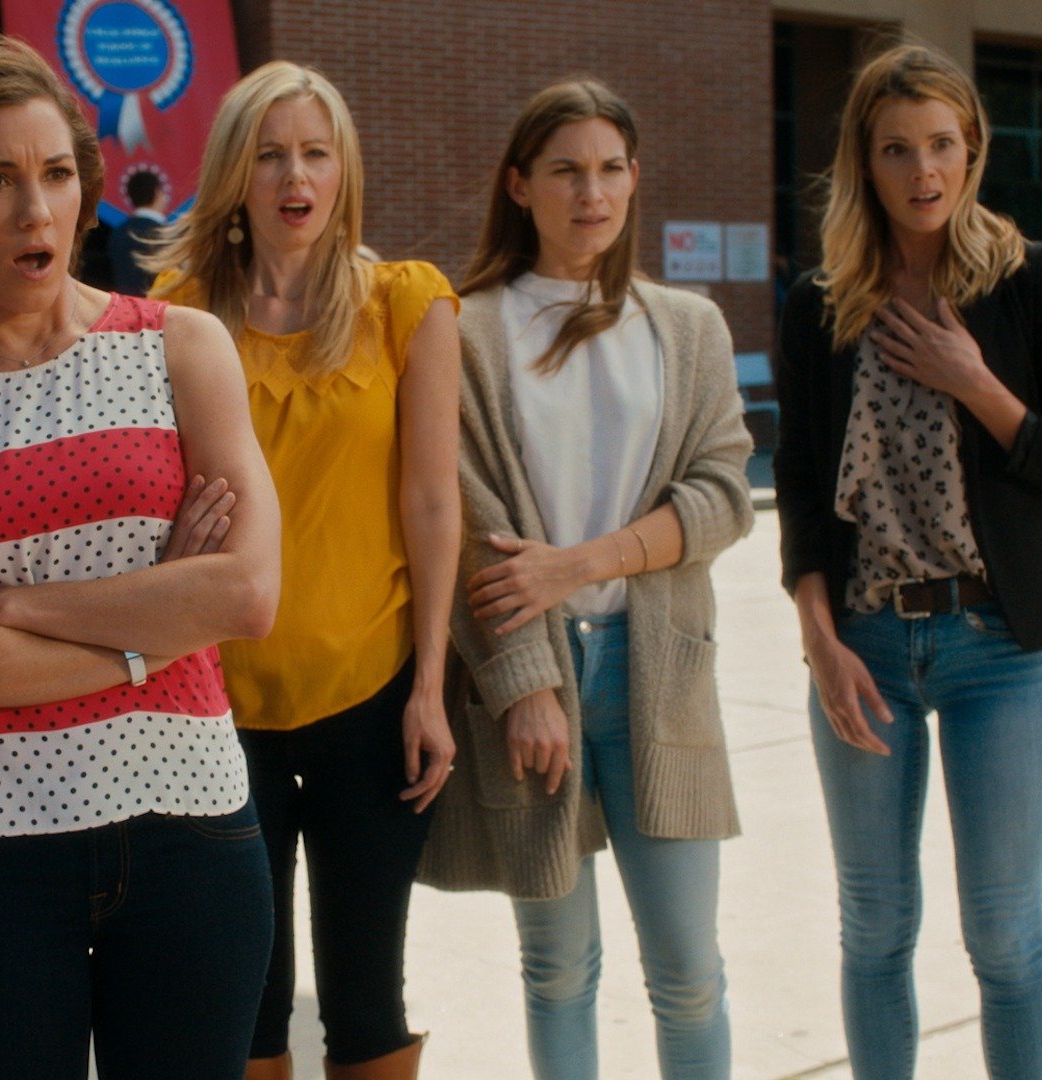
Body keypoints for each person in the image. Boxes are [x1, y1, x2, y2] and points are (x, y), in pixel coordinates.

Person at [0, 37, 282, 1080]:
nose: (36, 211)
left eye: (57, 174)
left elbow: (247, 593)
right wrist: (154, 629)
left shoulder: (183, 346)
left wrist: (12, 606)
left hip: (191, 833)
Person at [417, 79, 753, 1080]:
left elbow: (725, 496)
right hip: (537, 679)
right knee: (558, 969)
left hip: (660, 671)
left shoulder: (687, 328)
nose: (591, 193)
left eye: (609, 169)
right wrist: (523, 684)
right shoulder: (468, 330)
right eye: (565, 171)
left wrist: (580, 563)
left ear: (635, 179)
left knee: (689, 972)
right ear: (519, 185)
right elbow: (467, 522)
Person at [149, 60, 460, 1079]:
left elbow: (431, 501)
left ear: (343, 171)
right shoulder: (175, 313)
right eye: (271, 154)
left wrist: (430, 686)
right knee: (247, 1001)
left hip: (370, 695)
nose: (296, 176)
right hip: (217, 702)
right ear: (233, 174)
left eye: (316, 154)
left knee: (369, 997)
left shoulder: (406, 303)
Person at [774, 43, 1042, 1080]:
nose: (922, 170)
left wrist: (973, 380)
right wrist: (819, 643)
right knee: (875, 928)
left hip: (1002, 650)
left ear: (973, 148)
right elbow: (803, 493)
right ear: (866, 159)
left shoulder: (1032, 282)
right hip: (867, 647)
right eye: (897, 149)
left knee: (1006, 936)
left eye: (941, 144)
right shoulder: (821, 303)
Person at [108, 168, 169, 295]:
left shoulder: (118, 233)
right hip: (158, 304)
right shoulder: (165, 234)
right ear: (157, 192)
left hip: (124, 304)